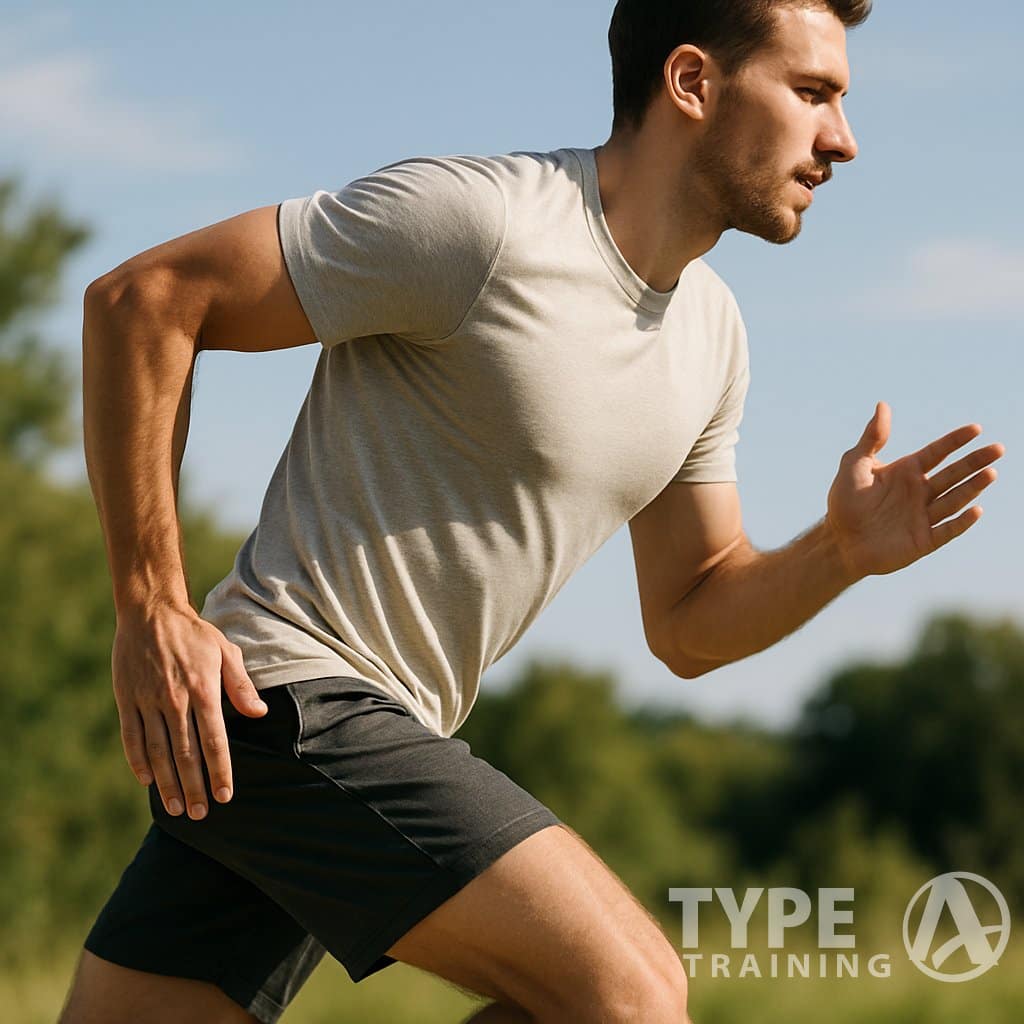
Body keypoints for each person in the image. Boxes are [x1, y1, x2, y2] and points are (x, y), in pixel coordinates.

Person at [60, 1, 1004, 1022]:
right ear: (691, 82)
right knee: (630, 996)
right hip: (291, 700)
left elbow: (689, 617)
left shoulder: (711, 334)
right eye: (812, 92)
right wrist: (150, 603)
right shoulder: (483, 223)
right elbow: (144, 299)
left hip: (300, 741)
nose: (843, 139)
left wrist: (836, 552)